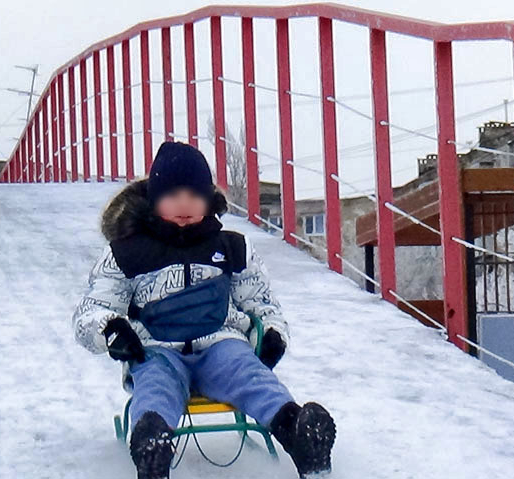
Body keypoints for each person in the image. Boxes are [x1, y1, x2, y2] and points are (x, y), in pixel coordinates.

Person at [72, 141, 335, 479]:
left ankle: (297, 431)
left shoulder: (232, 247)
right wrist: (109, 329)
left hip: (220, 343)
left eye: (195, 196)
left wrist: (271, 332)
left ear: (209, 199)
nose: (185, 204)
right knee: (155, 385)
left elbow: (260, 301)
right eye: (173, 196)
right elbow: (95, 306)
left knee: (250, 375)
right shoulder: (126, 253)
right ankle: (152, 442)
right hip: (156, 348)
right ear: (154, 199)